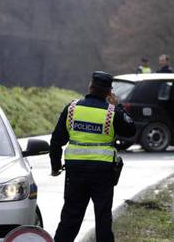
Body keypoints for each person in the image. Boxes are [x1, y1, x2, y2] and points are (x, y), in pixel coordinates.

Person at [49, 71, 136, 242]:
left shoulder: (72, 109)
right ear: (109, 92)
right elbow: (131, 130)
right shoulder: (112, 113)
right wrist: (118, 106)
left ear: (90, 86)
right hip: (103, 172)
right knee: (103, 218)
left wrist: (56, 166)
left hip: (76, 171)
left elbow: (56, 141)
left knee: (70, 217)